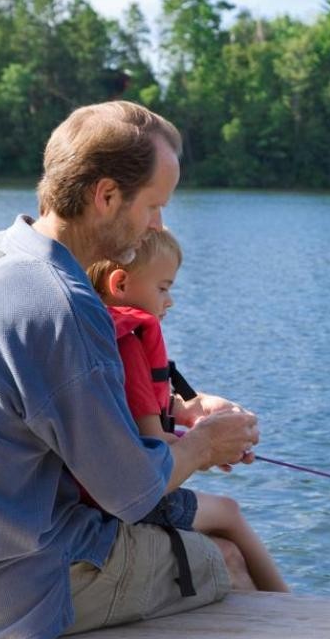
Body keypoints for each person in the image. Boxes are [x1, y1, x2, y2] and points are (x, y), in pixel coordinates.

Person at [0, 100, 265, 639]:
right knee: (222, 561)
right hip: (3, 592)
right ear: (106, 196)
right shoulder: (63, 305)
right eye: (154, 205)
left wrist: (174, 415)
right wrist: (204, 447)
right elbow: (131, 494)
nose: (159, 224)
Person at [86, 229, 288, 592]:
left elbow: (141, 419)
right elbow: (152, 449)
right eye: (163, 288)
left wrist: (190, 422)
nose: (170, 301)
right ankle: (292, 607)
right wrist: (205, 447)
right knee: (229, 513)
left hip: (105, 493)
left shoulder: (94, 331)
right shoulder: (129, 349)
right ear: (120, 284)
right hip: (126, 502)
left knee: (226, 533)